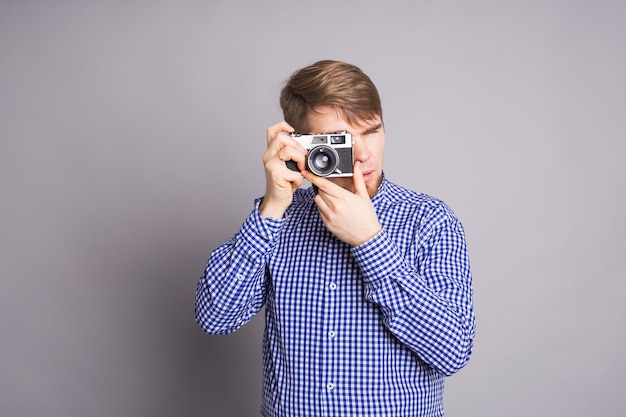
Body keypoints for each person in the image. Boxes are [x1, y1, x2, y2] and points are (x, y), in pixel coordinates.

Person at [195, 60, 475, 417]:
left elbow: (452, 352)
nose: (362, 154)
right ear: (300, 144)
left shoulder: (430, 221)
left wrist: (370, 243)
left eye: (372, 131)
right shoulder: (279, 219)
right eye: (341, 140)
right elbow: (216, 317)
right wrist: (272, 206)